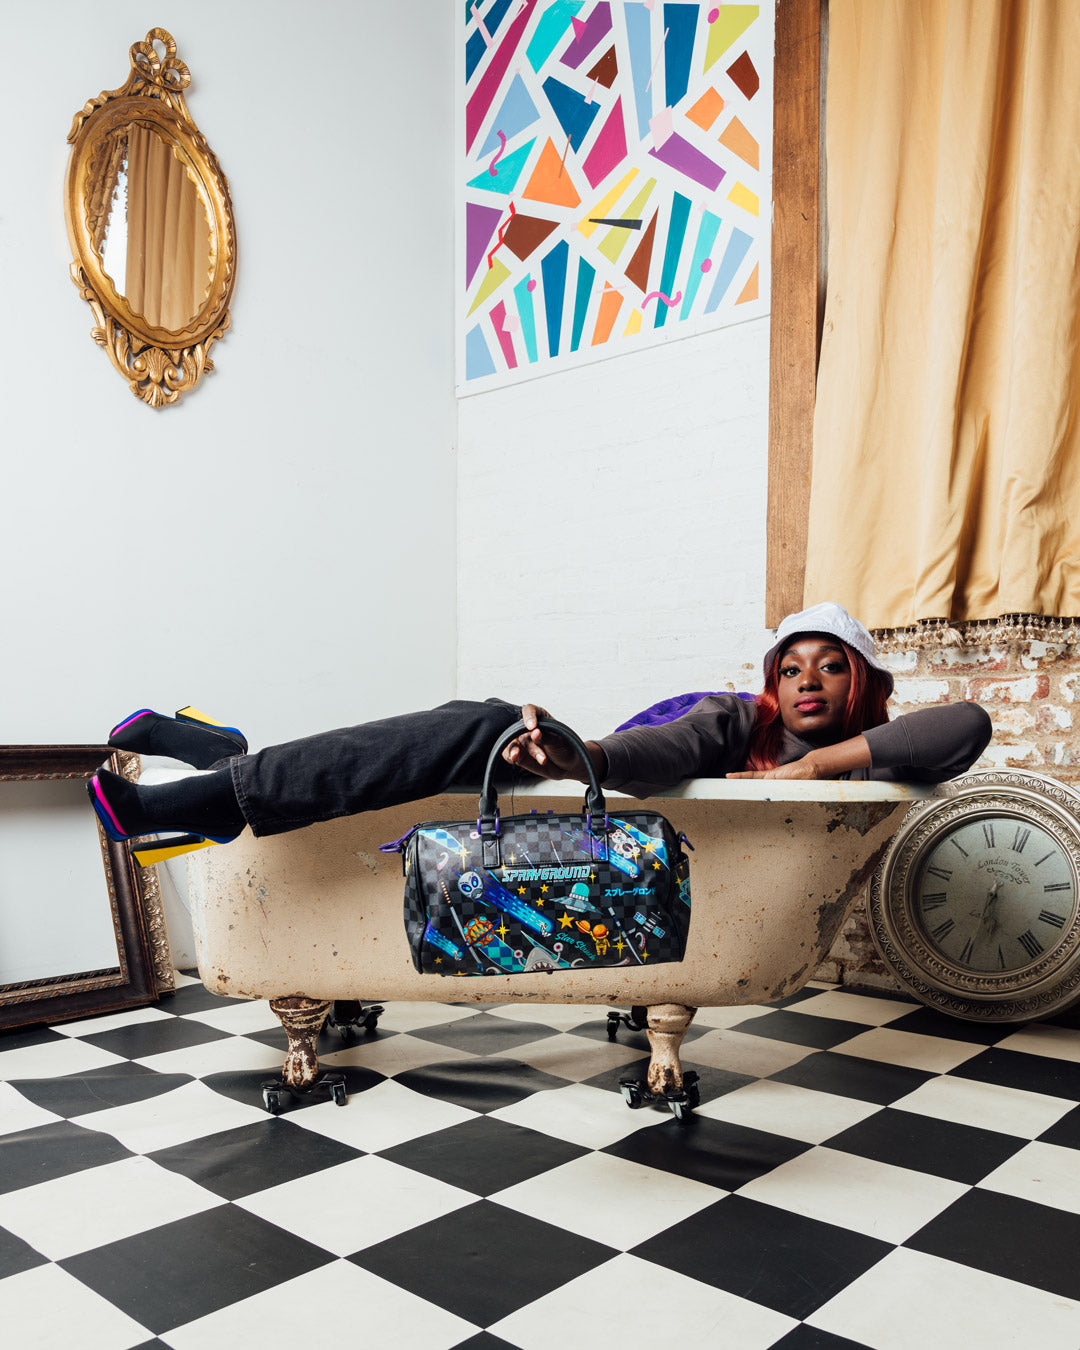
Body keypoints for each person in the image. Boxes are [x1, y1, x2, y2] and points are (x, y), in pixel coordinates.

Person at [88, 601, 992, 865]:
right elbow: (662, 753)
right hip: (585, 775)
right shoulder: (736, 719)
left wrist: (813, 771)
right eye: (790, 669)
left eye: (830, 667)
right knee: (485, 724)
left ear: (863, 682)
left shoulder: (876, 751)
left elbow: (969, 724)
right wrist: (578, 755)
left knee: (473, 724)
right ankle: (222, 788)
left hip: (609, 829)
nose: (806, 682)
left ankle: (224, 770)